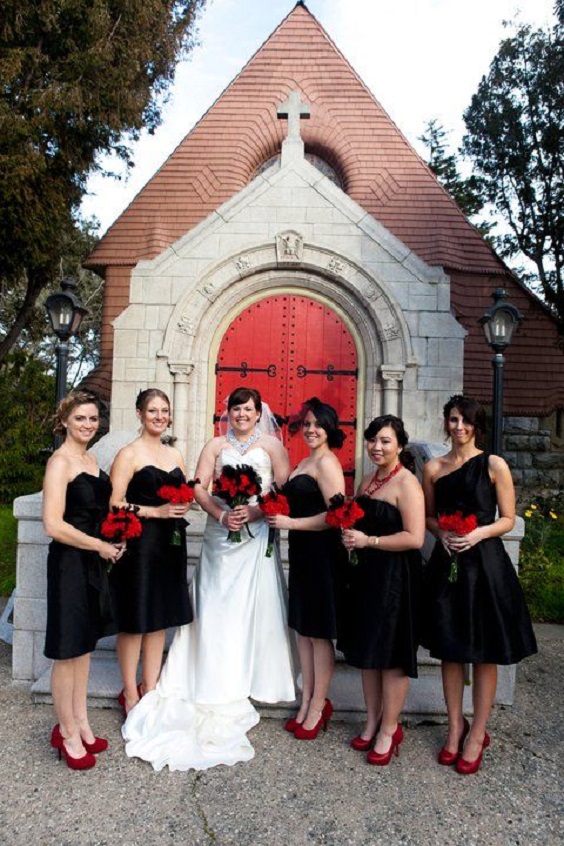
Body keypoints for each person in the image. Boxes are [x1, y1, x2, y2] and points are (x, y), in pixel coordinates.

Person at [121, 386, 295, 770]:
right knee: (214, 603)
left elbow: (285, 489)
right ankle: (206, 670)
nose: (241, 415)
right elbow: (198, 486)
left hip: (255, 535)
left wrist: (254, 512)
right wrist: (220, 514)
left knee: (252, 605)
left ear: (258, 411)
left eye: (248, 409)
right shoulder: (214, 446)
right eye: (236, 409)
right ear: (228, 412)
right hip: (221, 536)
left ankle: (248, 676)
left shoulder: (272, 446)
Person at [422, 394, 537, 775]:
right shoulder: (433, 468)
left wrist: (477, 533)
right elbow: (428, 516)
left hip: (486, 565)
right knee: (451, 649)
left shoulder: (494, 464)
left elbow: (508, 518)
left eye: (466, 421)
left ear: (477, 425)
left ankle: (478, 732)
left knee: (485, 650)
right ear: (446, 423)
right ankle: (456, 726)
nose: (459, 427)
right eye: (453, 420)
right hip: (449, 563)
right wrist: (442, 535)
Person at [43, 390, 124, 770]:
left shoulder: (91, 459)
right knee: (67, 649)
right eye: (80, 419)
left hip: (93, 559)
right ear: (64, 422)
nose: (87, 425)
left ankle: (81, 721)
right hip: (70, 562)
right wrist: (99, 545)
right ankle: (66, 732)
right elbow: (53, 524)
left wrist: (116, 535)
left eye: (93, 419)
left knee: (85, 646)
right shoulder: (60, 463)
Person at [341, 415, 424, 766]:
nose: (377, 447)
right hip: (367, 577)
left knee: (390, 656)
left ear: (400, 445)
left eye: (385, 441)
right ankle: (372, 720)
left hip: (395, 579)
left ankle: (390, 728)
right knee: (368, 651)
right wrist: (349, 536)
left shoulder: (407, 484)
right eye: (372, 440)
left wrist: (369, 540)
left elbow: (415, 537)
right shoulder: (368, 481)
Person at [109, 388, 193, 715]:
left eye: (164, 411)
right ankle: (130, 692)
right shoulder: (128, 454)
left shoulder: (174, 455)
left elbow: (184, 492)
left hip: (170, 544)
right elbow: (115, 503)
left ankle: (151, 688)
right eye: (153, 411)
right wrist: (155, 512)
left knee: (159, 616)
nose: (159, 416)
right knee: (135, 618)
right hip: (140, 545)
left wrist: (183, 504)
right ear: (140, 414)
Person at [267, 397, 346, 740]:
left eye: (319, 424)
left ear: (330, 430)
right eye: (308, 424)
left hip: (322, 554)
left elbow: (336, 517)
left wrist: (290, 522)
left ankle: (318, 704)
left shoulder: (327, 463)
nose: (312, 430)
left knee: (318, 631)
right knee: (303, 629)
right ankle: (306, 700)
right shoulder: (303, 462)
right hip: (301, 552)